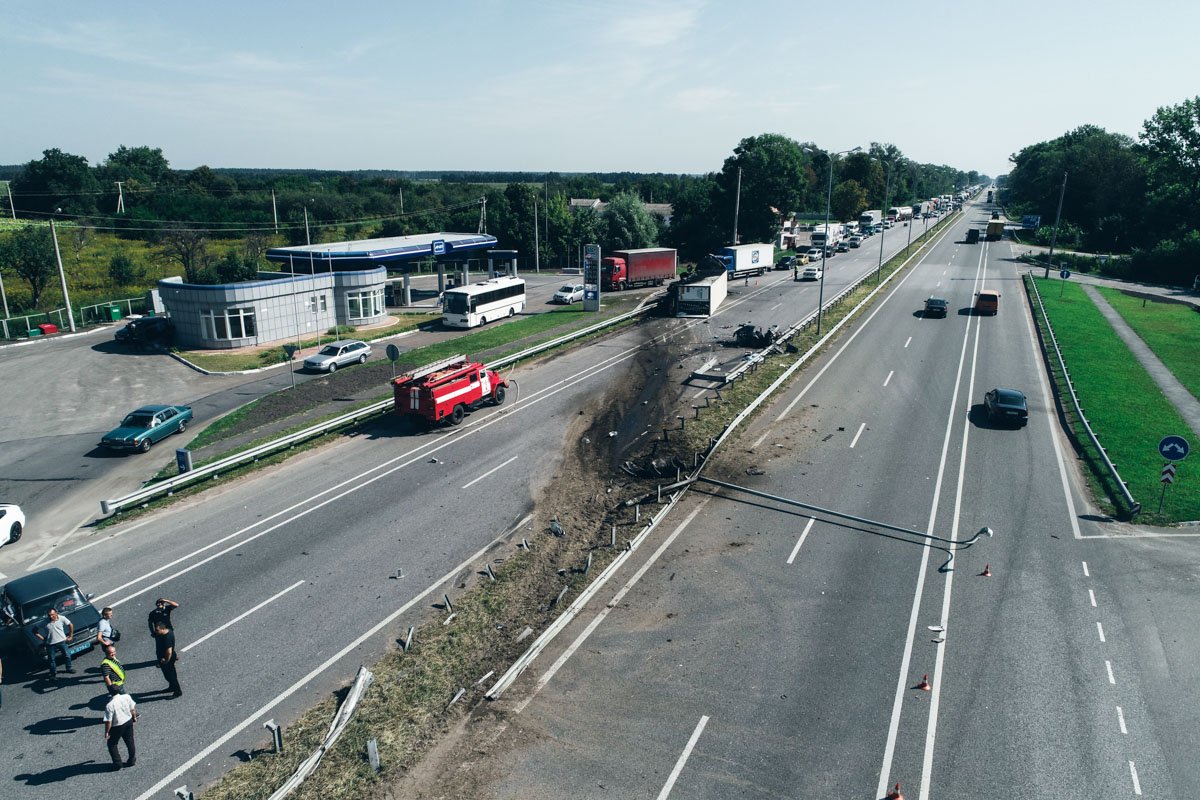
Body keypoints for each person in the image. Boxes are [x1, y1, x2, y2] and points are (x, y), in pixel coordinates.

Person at [103, 685, 137, 770]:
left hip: (117, 725)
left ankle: (117, 763)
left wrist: (107, 732)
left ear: (109, 692)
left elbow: (109, 721)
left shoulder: (110, 705)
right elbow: (132, 708)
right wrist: (134, 717)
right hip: (128, 721)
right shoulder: (126, 697)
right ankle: (132, 760)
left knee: (112, 744)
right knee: (130, 741)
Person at [33, 608, 74, 679]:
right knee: (51, 660)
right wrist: (42, 638)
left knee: (67, 655)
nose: (51, 617)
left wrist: (70, 636)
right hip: (50, 644)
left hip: (62, 641)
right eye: (49, 615)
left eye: (52, 615)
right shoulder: (44, 622)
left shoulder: (62, 618)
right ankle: (53, 673)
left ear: (56, 613)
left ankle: (69, 668)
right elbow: (34, 630)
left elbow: (70, 625)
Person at [153, 621, 181, 697]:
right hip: (164, 658)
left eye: (157, 630)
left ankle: (177, 691)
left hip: (167, 659)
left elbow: (169, 652)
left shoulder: (167, 637)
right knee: (167, 675)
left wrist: (165, 661)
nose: (156, 632)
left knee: (171, 676)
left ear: (162, 629)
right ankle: (172, 687)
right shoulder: (166, 633)